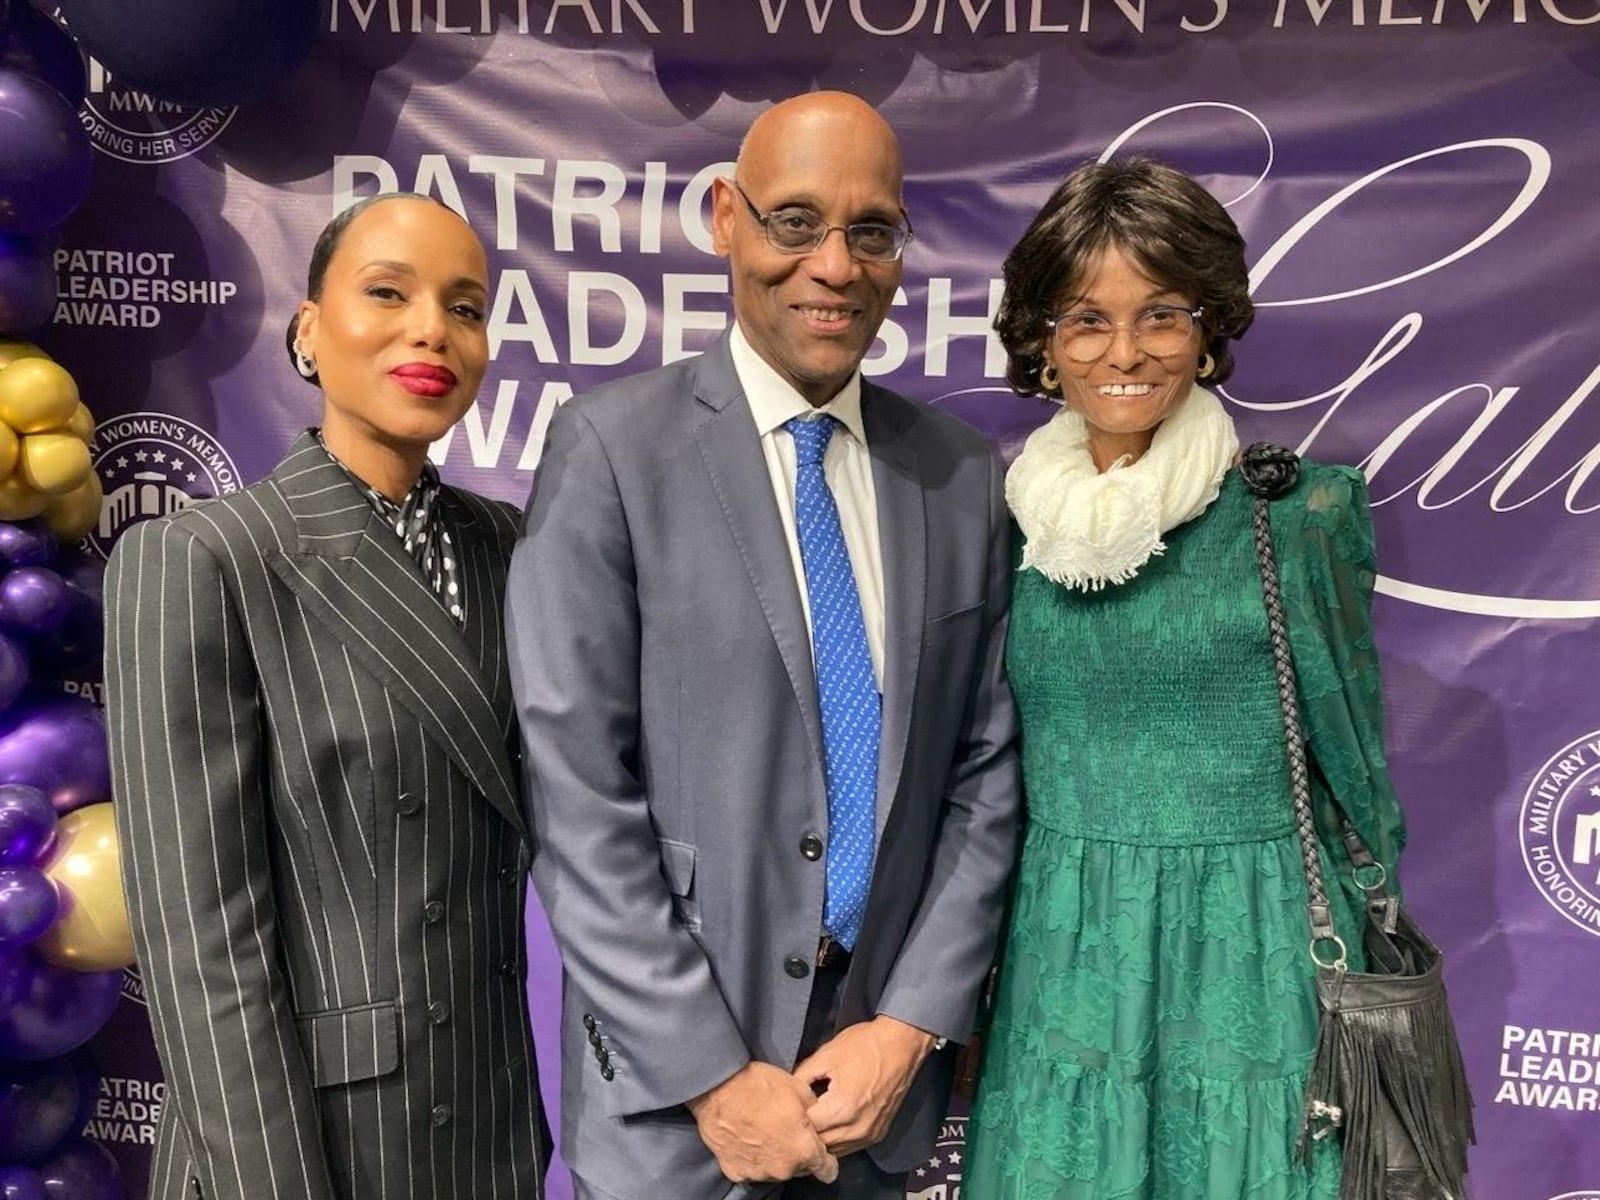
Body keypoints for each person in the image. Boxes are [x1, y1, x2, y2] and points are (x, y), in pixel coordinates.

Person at [505, 91, 1021, 1200]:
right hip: (672, 1108)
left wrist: (910, 1024)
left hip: (873, 1104)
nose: (832, 265)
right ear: (724, 218)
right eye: (795, 221)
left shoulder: (963, 476)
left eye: (868, 230)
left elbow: (984, 773)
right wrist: (709, 1075)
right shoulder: (610, 449)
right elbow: (575, 790)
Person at [961, 157, 1409, 1199]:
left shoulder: (1298, 513)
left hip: (1256, 959)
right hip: (1061, 956)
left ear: (1209, 328)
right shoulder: (1001, 522)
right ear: (1041, 340)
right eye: (1084, 320)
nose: (1124, 353)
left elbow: (1357, 778)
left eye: (1160, 314)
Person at [105, 194, 548, 1200]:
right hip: (294, 1145)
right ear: (310, 329)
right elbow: (199, 945)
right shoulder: (202, 560)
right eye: (387, 292)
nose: (431, 328)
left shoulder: (514, 547)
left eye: (465, 306)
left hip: (485, 1131)